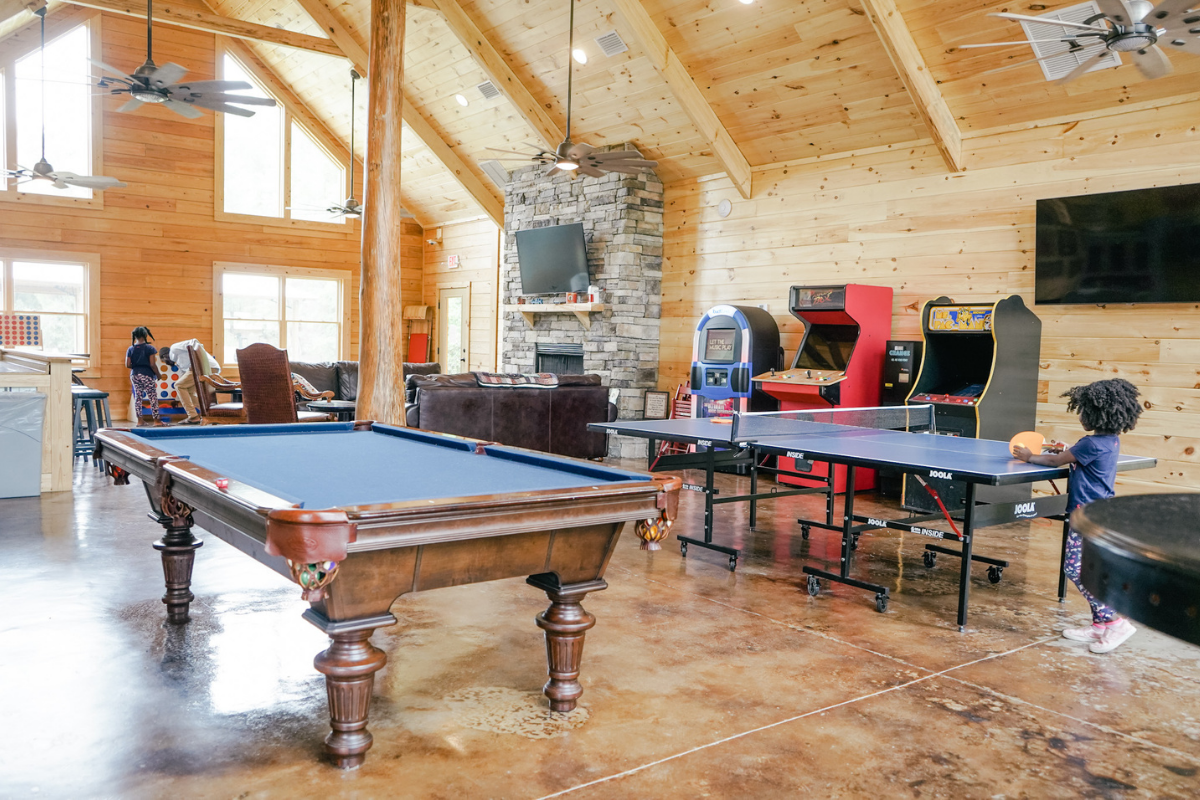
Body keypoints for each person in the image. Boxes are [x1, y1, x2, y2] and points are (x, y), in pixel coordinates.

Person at [1012, 378, 1143, 654]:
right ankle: (1099, 626)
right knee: (1089, 569)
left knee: (1075, 569)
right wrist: (1068, 449)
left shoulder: (1090, 445)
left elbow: (1053, 461)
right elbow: (1076, 454)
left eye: (1083, 410)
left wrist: (1028, 456)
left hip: (1085, 515)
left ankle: (1115, 622)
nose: (1081, 415)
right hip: (1099, 511)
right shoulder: (1110, 441)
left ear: (1096, 413)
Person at [160, 339, 220, 424]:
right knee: (188, 390)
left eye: (163, 361)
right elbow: (183, 379)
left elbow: (194, 342)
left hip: (205, 366)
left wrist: (195, 362)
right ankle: (209, 414)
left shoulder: (174, 348)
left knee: (178, 385)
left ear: (165, 356)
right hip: (209, 368)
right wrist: (177, 399)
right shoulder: (180, 363)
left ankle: (193, 416)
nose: (166, 363)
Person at [126, 326, 161, 426]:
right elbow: (152, 364)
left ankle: (140, 421)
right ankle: (157, 421)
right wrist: (158, 375)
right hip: (147, 375)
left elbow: (127, 364)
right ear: (146, 335)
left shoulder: (130, 349)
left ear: (134, 336)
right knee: (152, 397)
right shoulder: (150, 348)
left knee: (138, 397)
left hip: (134, 375)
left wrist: (137, 366)